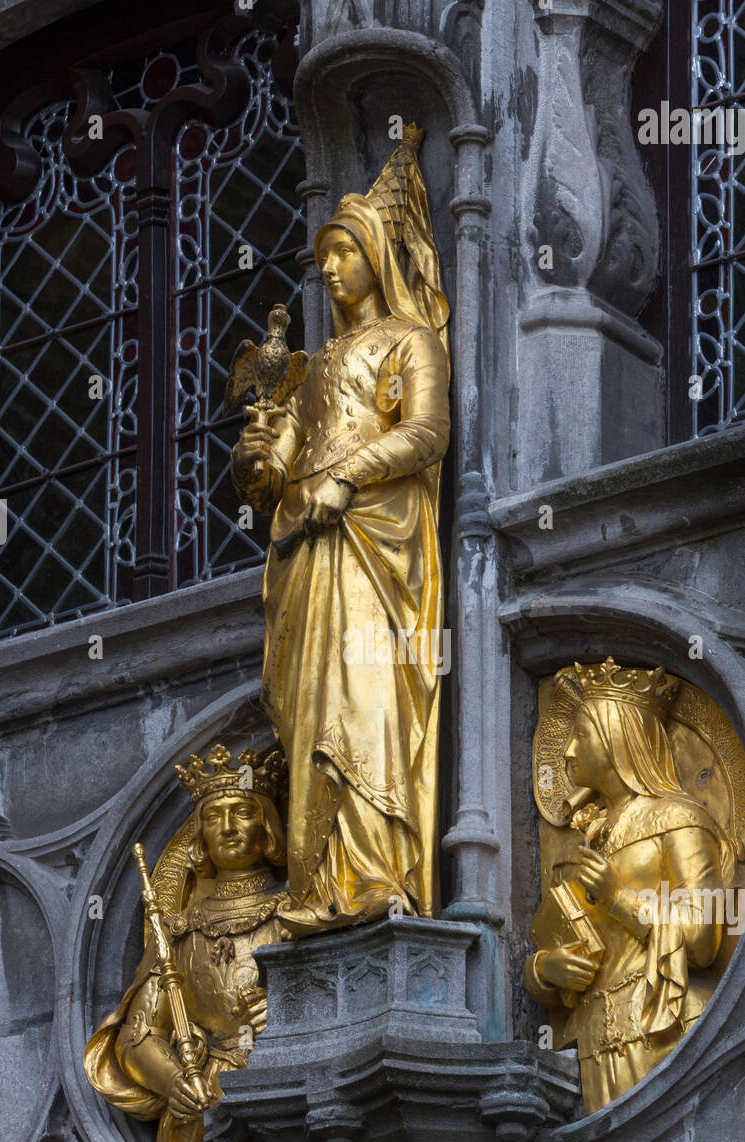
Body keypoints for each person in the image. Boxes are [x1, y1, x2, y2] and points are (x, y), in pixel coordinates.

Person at [231, 124, 450, 934]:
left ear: (379, 257)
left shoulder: (412, 341)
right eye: (323, 257)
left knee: (365, 700)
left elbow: (429, 433)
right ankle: (315, 883)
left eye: (344, 254)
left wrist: (349, 477)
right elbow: (273, 473)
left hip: (376, 543)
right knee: (309, 708)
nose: (328, 270)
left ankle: (374, 871)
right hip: (308, 552)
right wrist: (256, 460)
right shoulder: (316, 366)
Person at [525, 659, 735, 1113]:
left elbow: (702, 939)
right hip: (595, 1041)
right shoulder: (584, 840)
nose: (567, 752)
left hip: (662, 1025)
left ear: (619, 736)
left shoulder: (677, 820)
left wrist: (619, 898)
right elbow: (562, 933)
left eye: (581, 734)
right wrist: (544, 970)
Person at [84, 746, 289, 1142]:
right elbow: (137, 1035)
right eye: (214, 817)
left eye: (242, 812)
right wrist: (175, 1080)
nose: (229, 828)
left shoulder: (301, 914)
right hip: (205, 1109)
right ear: (199, 835)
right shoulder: (177, 932)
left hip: (289, 1085)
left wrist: (290, 1016)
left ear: (269, 824)